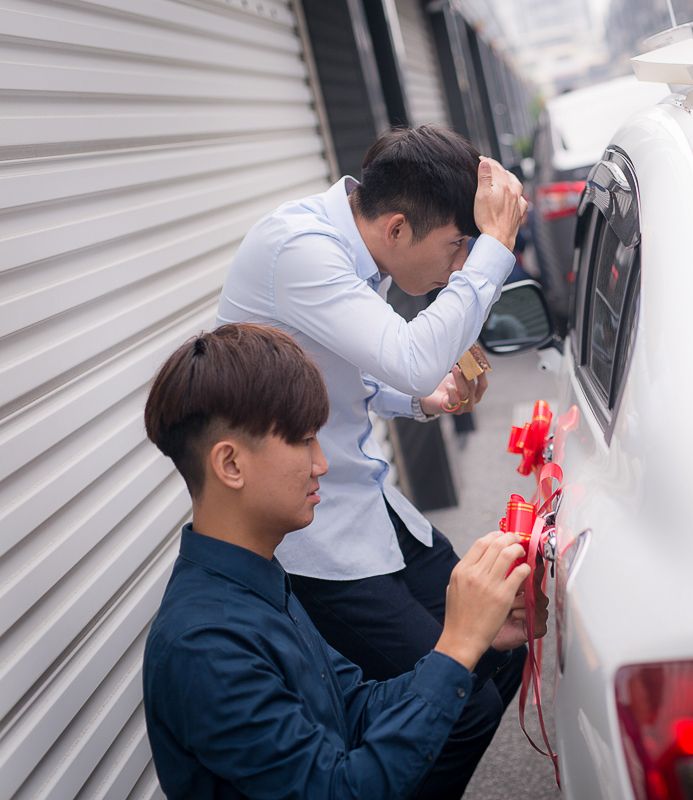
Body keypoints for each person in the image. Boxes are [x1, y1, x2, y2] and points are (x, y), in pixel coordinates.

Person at [216, 125, 544, 799]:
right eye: (457, 247)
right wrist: (497, 251)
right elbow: (408, 352)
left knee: (504, 642)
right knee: (461, 707)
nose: (459, 268)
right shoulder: (299, 250)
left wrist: (427, 396)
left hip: (367, 507)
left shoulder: (354, 250)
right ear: (397, 227)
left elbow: (362, 374)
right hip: (314, 540)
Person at [142, 323, 540, 799]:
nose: (322, 465)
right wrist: (454, 648)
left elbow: (354, 706)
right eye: (303, 440)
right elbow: (340, 789)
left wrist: (476, 644)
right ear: (230, 464)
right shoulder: (205, 645)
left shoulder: (255, 581)